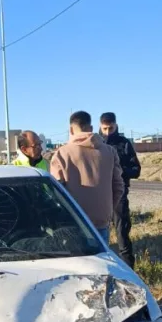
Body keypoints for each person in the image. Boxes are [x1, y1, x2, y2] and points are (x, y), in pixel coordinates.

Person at [50, 111, 123, 246]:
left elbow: (56, 192)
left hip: (74, 223)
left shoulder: (61, 154)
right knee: (101, 263)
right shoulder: (109, 152)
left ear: (71, 129)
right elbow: (119, 186)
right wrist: (108, 210)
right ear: (91, 129)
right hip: (101, 220)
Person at [99, 112, 141, 268]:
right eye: (105, 129)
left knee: (122, 234)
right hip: (99, 194)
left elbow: (136, 170)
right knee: (98, 234)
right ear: (100, 126)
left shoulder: (124, 144)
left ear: (116, 125)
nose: (108, 132)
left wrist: (118, 171)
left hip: (119, 194)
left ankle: (129, 271)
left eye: (111, 128)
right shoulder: (96, 144)